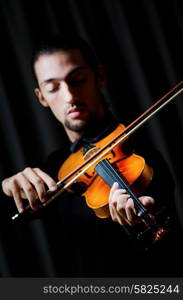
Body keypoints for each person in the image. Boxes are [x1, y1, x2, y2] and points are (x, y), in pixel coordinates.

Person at [1, 35, 182, 277]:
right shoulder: (52, 170)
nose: (70, 97)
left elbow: (168, 259)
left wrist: (135, 227)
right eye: (53, 87)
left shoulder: (142, 154)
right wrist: (5, 187)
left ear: (100, 77)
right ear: (41, 97)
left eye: (78, 80)